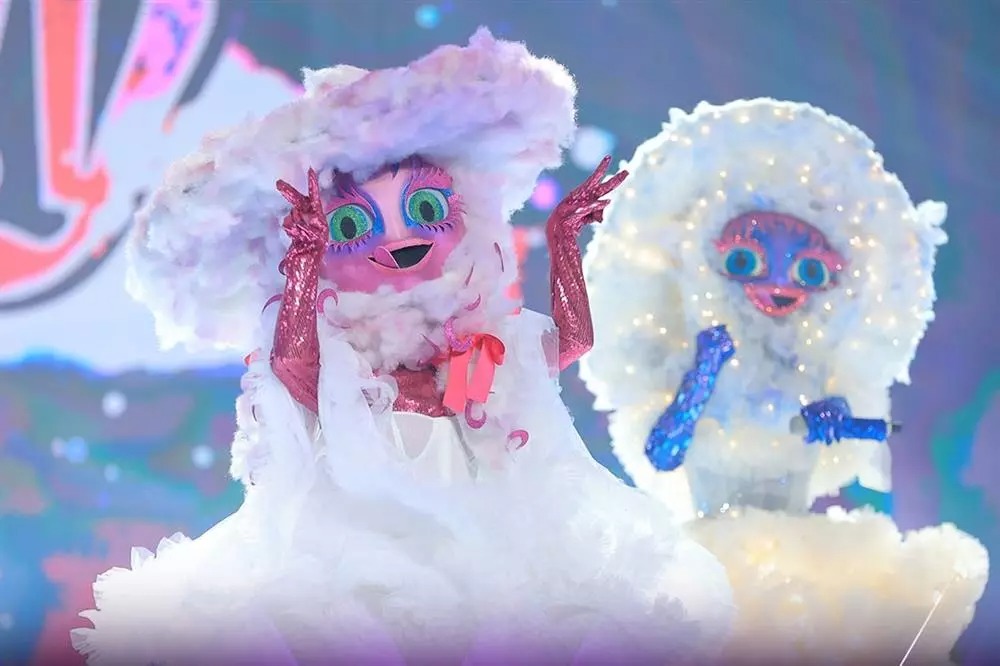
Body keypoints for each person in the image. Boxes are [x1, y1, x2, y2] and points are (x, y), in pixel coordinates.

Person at [72, 29, 733, 666]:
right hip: (359, 571)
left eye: (425, 210)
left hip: (492, 564)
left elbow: (570, 342)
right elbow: (293, 366)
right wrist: (302, 263)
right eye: (354, 224)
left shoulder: (487, 351)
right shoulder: (342, 367)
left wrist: (563, 241)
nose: (398, 241)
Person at [580, 98, 988, 663]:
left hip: (803, 572)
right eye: (745, 262)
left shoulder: (815, 372)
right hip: (706, 564)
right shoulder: (698, 361)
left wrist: (839, 422)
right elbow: (663, 452)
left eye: (809, 271)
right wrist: (702, 375)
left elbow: (857, 442)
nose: (779, 283)